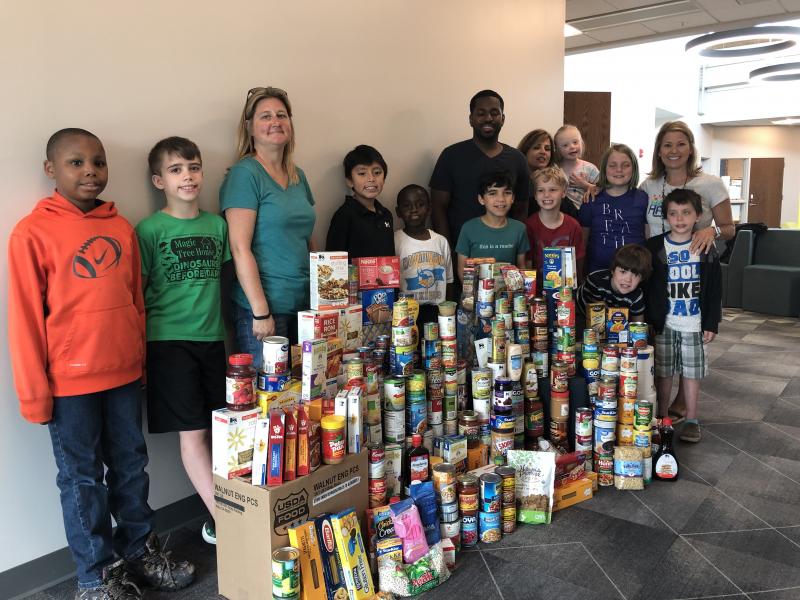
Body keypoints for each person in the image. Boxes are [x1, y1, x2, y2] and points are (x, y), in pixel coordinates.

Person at [7, 128, 194, 600]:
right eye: (76, 163)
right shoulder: (32, 233)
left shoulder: (121, 228)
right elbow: (25, 319)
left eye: (98, 162)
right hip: (68, 385)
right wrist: (34, 393)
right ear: (51, 169)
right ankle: (96, 574)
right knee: (81, 478)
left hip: (124, 375)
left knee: (132, 467)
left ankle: (139, 551)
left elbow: (135, 302)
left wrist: (140, 362)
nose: (90, 171)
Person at [136, 136, 230, 546]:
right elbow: (135, 294)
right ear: (159, 180)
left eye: (192, 167)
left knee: (220, 428)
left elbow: (227, 286)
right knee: (192, 435)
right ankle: (225, 521)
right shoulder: (149, 230)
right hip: (168, 343)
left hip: (213, 341)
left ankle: (225, 511)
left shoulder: (217, 225)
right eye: (175, 170)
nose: (187, 176)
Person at [640, 120, 734, 422]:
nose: (674, 150)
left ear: (691, 148)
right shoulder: (649, 185)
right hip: (660, 270)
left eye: (681, 144)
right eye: (667, 144)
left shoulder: (709, 183)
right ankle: (665, 412)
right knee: (663, 351)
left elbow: (730, 227)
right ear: (659, 150)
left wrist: (713, 232)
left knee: (691, 348)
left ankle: (685, 410)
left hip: (695, 270)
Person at [220, 86, 316, 366]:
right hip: (264, 311)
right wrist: (260, 312)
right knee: (269, 400)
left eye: (281, 115)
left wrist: (321, 295)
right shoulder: (245, 174)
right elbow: (239, 248)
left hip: (304, 307)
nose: (275, 121)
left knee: (305, 399)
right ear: (249, 127)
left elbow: (307, 239)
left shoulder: (298, 176)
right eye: (265, 116)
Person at [645, 189, 722, 443]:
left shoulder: (705, 247)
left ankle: (691, 419)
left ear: (698, 216)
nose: (679, 219)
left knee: (691, 373)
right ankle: (663, 417)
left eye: (686, 213)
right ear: (666, 217)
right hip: (664, 324)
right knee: (663, 372)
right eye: (673, 214)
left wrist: (712, 322)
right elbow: (648, 287)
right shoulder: (655, 247)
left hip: (694, 323)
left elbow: (714, 290)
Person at [430, 89, 530, 248]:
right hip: (462, 253)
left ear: (503, 119)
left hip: (505, 253)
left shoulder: (517, 159)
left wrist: (517, 250)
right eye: (481, 113)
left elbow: (521, 211)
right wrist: (448, 252)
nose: (488, 118)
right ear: (471, 119)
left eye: (494, 113)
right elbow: (438, 208)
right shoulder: (451, 156)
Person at [578, 143, 648, 273]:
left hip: (635, 275)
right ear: (604, 169)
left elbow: (648, 237)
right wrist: (579, 274)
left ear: (634, 168)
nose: (619, 170)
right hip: (597, 274)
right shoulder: (591, 199)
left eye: (625, 165)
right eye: (612, 165)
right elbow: (582, 241)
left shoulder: (643, 198)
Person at [394, 184, 454, 327]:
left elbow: (449, 280)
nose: (414, 210)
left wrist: (448, 312)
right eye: (407, 206)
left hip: (437, 310)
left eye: (420, 205)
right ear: (398, 212)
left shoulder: (441, 241)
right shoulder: (394, 241)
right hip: (407, 312)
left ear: (429, 209)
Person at [455, 171, 529, 280]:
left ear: (513, 198)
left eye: (507, 193)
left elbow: (521, 266)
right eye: (492, 193)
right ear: (481, 199)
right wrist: (473, 293)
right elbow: (462, 269)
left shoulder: (519, 229)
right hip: (476, 294)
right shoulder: (468, 228)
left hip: (508, 295)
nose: (501, 199)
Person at [326, 144, 394, 258]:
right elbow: (332, 262)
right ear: (349, 181)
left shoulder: (386, 215)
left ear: (384, 178)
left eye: (377, 172)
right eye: (362, 173)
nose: (371, 179)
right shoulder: (344, 215)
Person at [525, 166, 585, 288]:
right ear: (535, 195)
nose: (546, 195)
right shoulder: (528, 226)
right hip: (536, 291)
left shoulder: (573, 226)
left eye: (552, 189)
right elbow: (527, 264)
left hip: (565, 293)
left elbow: (578, 264)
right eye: (541, 190)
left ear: (563, 192)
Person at [577, 244, 651, 323]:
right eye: (623, 272)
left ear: (642, 278)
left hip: (610, 320)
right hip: (580, 312)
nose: (628, 279)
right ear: (612, 270)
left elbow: (638, 324)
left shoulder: (636, 296)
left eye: (635, 275)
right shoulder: (596, 281)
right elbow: (596, 320)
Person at [518, 128, 578, 218]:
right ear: (525, 151)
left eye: (547, 149)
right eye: (537, 147)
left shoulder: (557, 180)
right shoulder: (516, 181)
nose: (543, 152)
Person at [554, 124, 599, 212]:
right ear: (558, 150)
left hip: (586, 212)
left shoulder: (590, 168)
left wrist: (584, 185)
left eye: (575, 142)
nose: (572, 147)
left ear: (581, 143)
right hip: (561, 214)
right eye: (565, 145)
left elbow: (603, 190)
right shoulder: (554, 169)